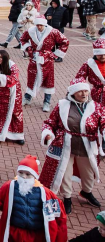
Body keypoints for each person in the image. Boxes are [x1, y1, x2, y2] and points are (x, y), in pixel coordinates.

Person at [39, 78, 105, 215]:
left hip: (87, 146)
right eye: (80, 91)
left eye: (86, 90)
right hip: (65, 145)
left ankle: (86, 192)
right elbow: (50, 122)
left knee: (88, 173)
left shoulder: (97, 107)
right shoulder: (62, 105)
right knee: (65, 173)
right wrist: (47, 134)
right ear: (73, 93)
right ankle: (67, 197)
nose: (84, 94)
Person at [0, 154, 68, 242]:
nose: (24, 177)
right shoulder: (9, 187)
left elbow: (59, 217)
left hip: (36, 236)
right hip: (14, 234)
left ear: (34, 176)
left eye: (28, 174)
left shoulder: (46, 194)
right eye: (21, 173)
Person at [21, 15, 70, 112]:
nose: (39, 27)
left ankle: (46, 102)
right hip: (34, 59)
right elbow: (23, 39)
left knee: (48, 81)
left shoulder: (53, 32)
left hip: (47, 61)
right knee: (31, 79)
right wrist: (29, 48)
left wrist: (54, 54)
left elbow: (65, 41)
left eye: (41, 25)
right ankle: (27, 98)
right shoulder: (30, 31)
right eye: (37, 25)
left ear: (44, 24)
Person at [0, 50, 24, 144]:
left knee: (15, 112)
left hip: (13, 92)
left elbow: (14, 78)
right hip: (1, 92)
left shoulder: (12, 66)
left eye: (0, 57)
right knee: (0, 111)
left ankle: (17, 135)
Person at [75, 39, 105, 104]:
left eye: (104, 54)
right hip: (97, 94)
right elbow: (79, 78)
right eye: (100, 54)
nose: (103, 56)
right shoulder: (89, 64)